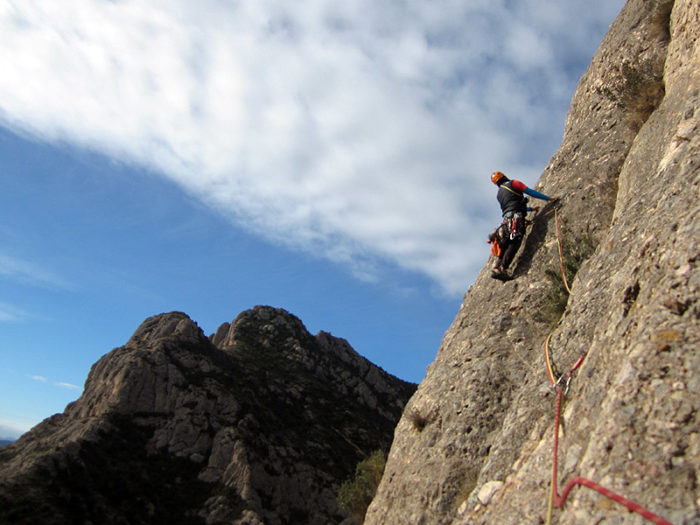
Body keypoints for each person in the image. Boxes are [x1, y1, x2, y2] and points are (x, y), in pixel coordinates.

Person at [489, 171, 559, 279]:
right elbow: (530, 192)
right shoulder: (514, 183)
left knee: (506, 244)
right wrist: (548, 198)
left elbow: (511, 206)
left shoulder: (499, 194)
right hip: (515, 219)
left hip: (506, 220)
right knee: (514, 242)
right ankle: (502, 268)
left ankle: (496, 268)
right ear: (504, 176)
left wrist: (530, 209)